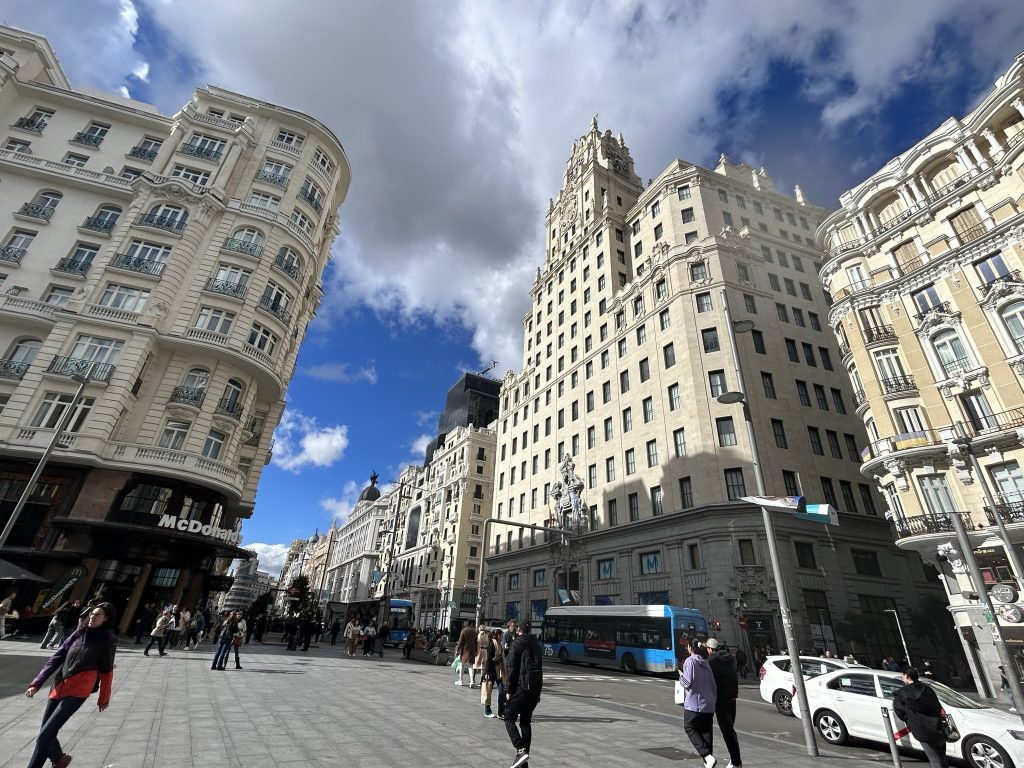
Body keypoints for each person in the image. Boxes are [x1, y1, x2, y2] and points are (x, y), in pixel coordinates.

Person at [24, 602, 117, 768]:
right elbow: (56, 659)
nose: (92, 617)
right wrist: (36, 683)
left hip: (77, 692)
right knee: (46, 734)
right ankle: (58, 759)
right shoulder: (78, 633)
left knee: (45, 736)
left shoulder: (107, 640)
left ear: (106, 618)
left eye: (98, 615)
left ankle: (58, 759)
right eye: (92, 614)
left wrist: (104, 699)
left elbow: (107, 672)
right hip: (58, 686)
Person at [504, 622, 543, 768]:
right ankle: (523, 762)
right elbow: (540, 667)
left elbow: (512, 668)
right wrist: (538, 691)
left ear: (519, 630)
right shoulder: (536, 644)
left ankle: (520, 750)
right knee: (526, 722)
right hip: (534, 689)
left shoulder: (516, 643)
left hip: (521, 687)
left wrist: (508, 690)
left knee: (508, 717)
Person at [893, 667, 947, 768]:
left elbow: (899, 711)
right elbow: (937, 706)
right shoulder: (927, 689)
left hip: (920, 728)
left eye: (903, 676)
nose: (902, 678)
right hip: (937, 726)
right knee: (942, 757)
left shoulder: (902, 693)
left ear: (906, 676)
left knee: (934, 759)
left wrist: (910, 719)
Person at [679, 640, 718, 768]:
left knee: (689, 727)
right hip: (709, 704)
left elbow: (687, 683)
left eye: (688, 646)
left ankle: (706, 756)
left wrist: (680, 676)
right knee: (706, 731)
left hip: (694, 704)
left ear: (691, 648)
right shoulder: (705, 662)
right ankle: (708, 760)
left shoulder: (690, 661)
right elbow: (713, 684)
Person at [706, 639, 741, 768]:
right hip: (732, 697)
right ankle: (734, 760)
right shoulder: (731, 658)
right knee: (730, 730)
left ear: (710, 649)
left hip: (720, 699)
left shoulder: (711, 661)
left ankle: (736, 762)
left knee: (727, 730)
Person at [483, 627, 506, 718]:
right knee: (489, 691)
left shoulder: (500, 644)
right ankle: (487, 710)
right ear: (498, 635)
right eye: (502, 635)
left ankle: (501, 712)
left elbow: (502, 656)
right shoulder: (492, 644)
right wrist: (487, 672)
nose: (503, 637)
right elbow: (488, 659)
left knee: (502, 691)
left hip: (499, 671)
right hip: (491, 671)